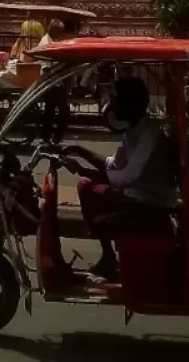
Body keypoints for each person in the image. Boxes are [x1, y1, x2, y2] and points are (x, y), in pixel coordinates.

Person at [63, 76, 178, 280]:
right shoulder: (133, 131)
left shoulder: (149, 135)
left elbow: (126, 176)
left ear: (129, 103)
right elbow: (113, 165)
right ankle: (108, 256)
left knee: (91, 188)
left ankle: (109, 256)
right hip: (136, 195)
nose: (112, 104)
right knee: (87, 185)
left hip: (150, 203)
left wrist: (84, 171)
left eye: (117, 99)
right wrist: (80, 151)